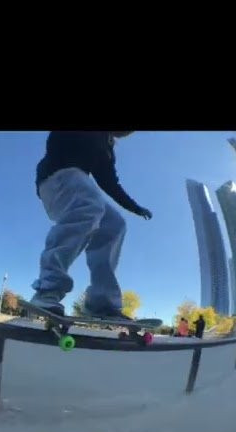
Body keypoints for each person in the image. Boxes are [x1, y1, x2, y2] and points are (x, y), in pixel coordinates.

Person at [28, 132, 153, 321]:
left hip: (79, 186)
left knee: (114, 224)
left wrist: (135, 207)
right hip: (55, 177)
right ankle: (48, 289)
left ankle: (101, 303)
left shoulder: (107, 148)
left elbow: (110, 184)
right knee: (91, 204)